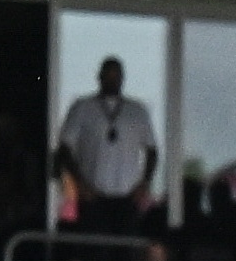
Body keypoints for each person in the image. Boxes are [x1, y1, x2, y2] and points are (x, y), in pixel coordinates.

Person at [56, 59, 164, 228]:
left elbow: (152, 151)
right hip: (92, 195)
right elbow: (64, 149)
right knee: (95, 249)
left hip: (128, 196)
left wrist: (144, 183)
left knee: (125, 249)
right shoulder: (82, 107)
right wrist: (81, 184)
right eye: (108, 75)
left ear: (122, 78)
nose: (112, 80)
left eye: (116, 76)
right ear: (99, 77)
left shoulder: (137, 111)